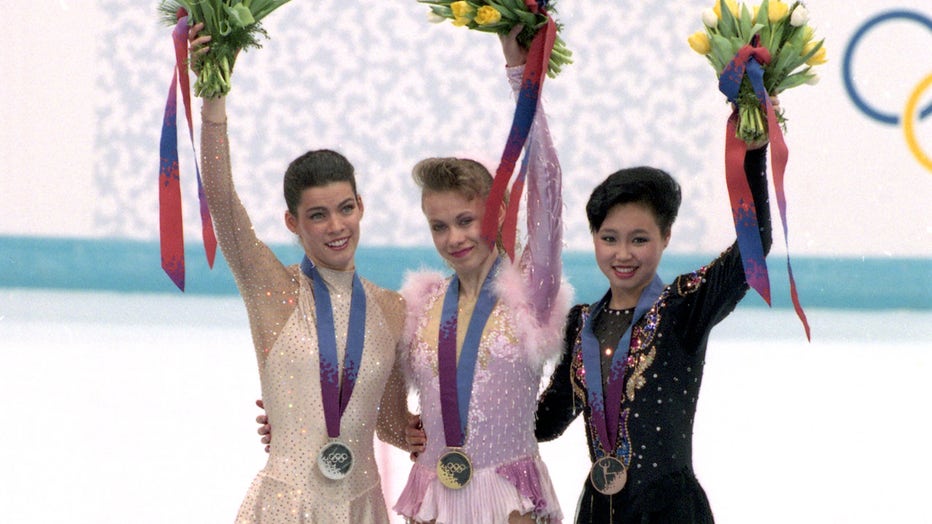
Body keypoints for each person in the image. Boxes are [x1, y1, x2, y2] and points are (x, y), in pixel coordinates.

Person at [190, 23, 410, 523]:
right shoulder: (273, 289)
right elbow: (223, 204)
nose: (336, 226)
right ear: (293, 222)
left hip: (362, 507)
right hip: (287, 506)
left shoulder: (392, 308)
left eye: (345, 208)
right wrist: (213, 100)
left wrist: (455, 430)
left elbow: (393, 425)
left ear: (361, 207)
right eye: (318, 215)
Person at [532, 116, 775, 522]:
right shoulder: (581, 325)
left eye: (639, 239)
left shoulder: (683, 307)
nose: (622, 254)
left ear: (666, 238)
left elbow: (754, 245)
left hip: (668, 511)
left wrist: (754, 155)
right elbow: (547, 422)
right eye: (609, 238)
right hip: (601, 510)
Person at [393, 29, 571, 524]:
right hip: (432, 498)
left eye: (466, 220)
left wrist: (520, 77)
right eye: (439, 226)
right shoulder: (422, 306)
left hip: (508, 499)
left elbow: (547, 191)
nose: (454, 238)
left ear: (496, 211)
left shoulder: (528, 293)